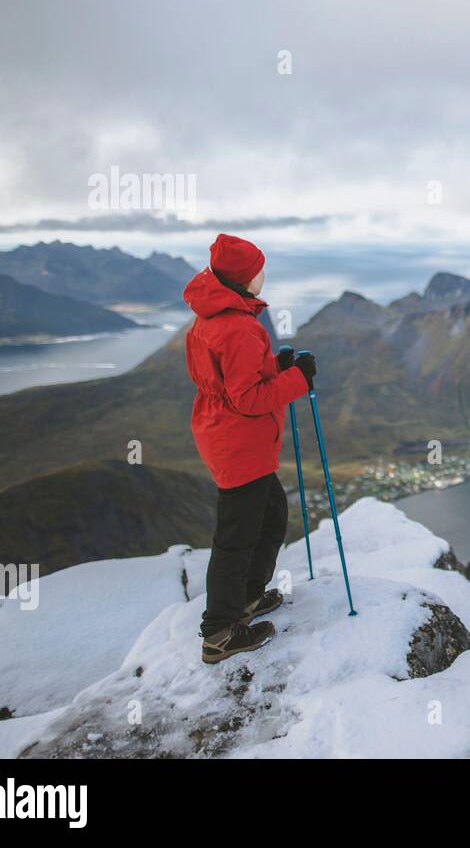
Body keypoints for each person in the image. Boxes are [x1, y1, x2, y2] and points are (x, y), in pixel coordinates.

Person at [182, 234, 316, 663]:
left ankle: (247, 599)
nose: (263, 276)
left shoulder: (216, 317)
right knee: (238, 537)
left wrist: (279, 366)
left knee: (270, 514)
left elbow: (233, 382)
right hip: (239, 442)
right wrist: (299, 380)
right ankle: (220, 632)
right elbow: (248, 399)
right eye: (259, 269)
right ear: (243, 278)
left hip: (227, 436)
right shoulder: (238, 327)